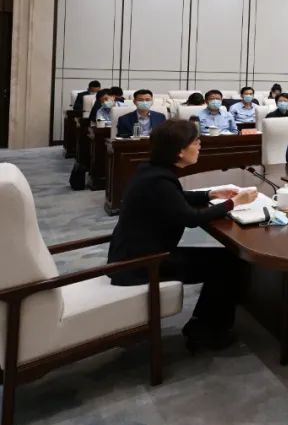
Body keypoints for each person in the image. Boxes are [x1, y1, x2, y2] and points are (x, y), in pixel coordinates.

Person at [107, 119, 258, 350]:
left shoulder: (152, 171)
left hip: (135, 253)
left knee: (225, 259)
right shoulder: (159, 180)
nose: (200, 146)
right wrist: (233, 203)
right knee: (226, 263)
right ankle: (206, 332)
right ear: (179, 151)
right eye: (196, 142)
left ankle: (204, 323)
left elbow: (174, 199)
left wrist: (211, 194)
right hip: (143, 263)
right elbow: (191, 219)